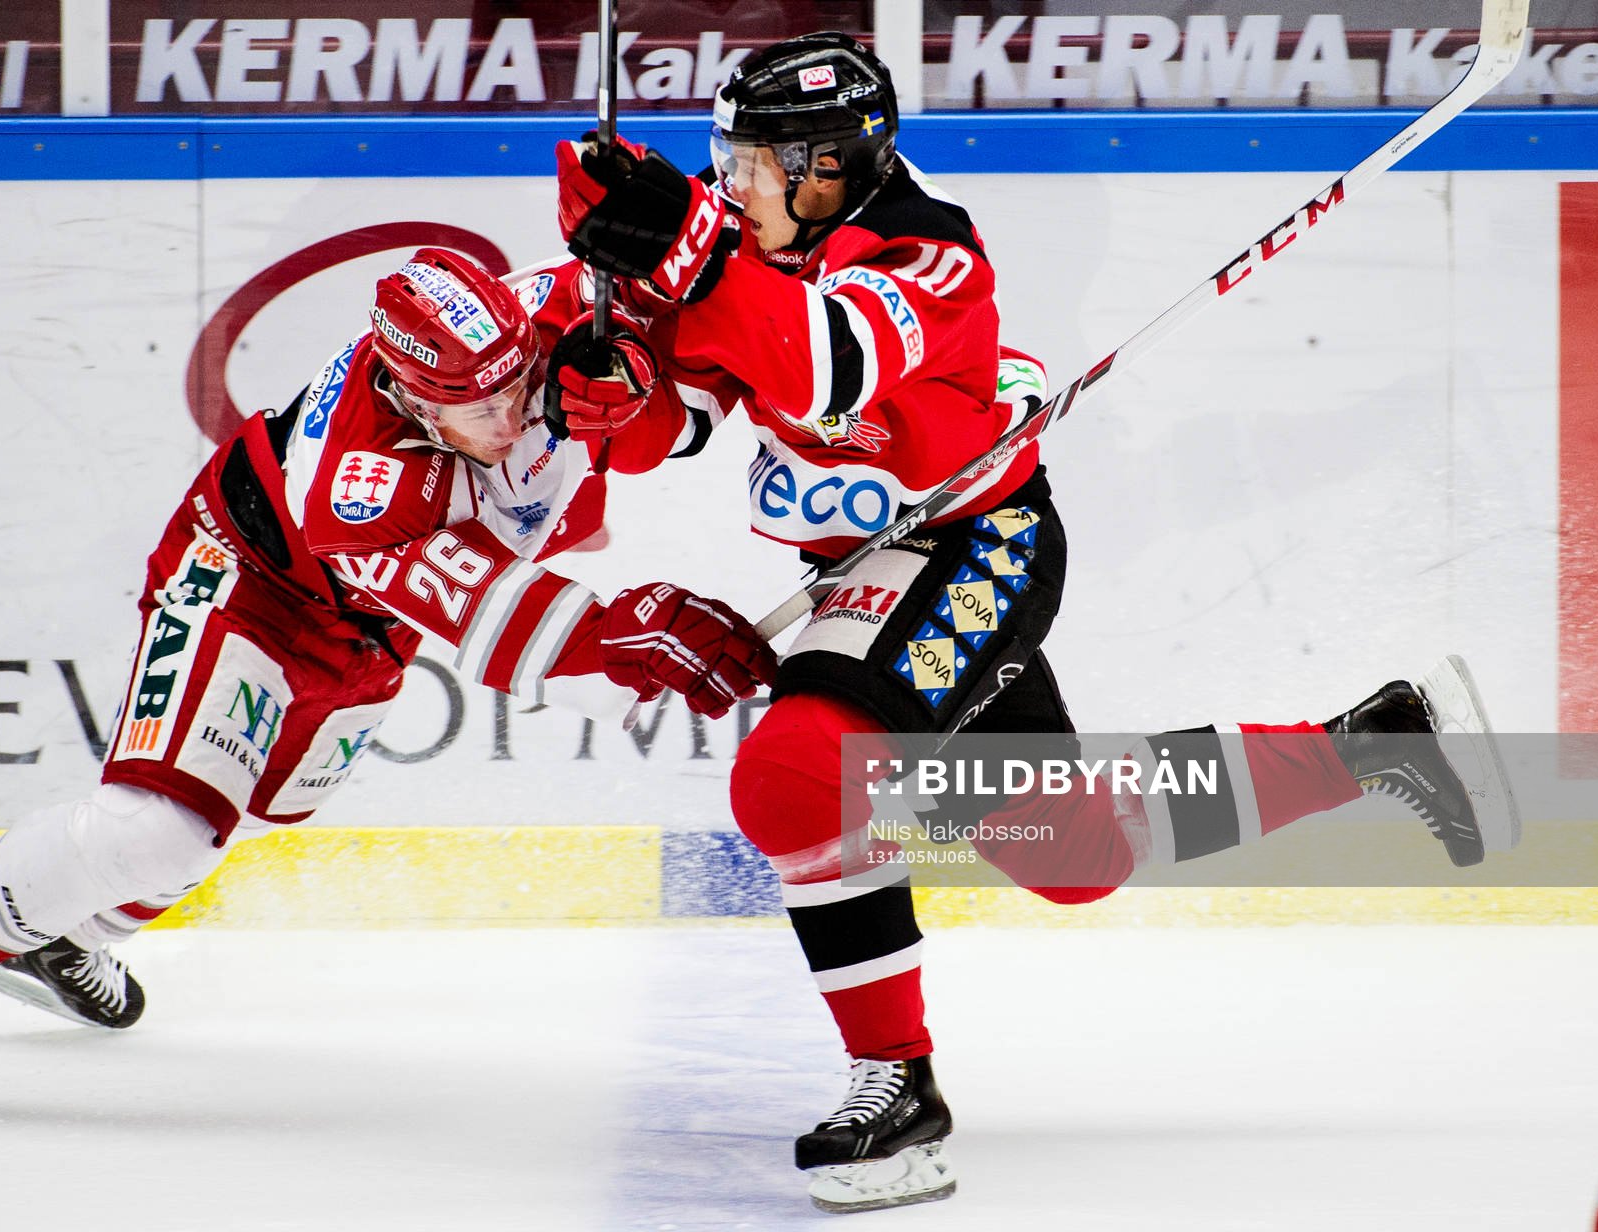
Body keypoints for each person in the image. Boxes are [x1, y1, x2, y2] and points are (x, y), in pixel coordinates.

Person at [552, 31, 1517, 1214]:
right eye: (724, 159)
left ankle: (895, 1090)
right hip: (868, 565)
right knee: (1075, 852)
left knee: (795, 773)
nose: (730, 183)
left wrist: (687, 254)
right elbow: (687, 408)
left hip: (976, 550)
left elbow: (823, 368)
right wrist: (612, 383)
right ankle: (1374, 743)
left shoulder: (929, 253)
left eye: (755, 162)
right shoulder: (742, 236)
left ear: (830, 167)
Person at [0, 247, 777, 1048]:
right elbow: (492, 619)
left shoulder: (528, 325)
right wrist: (620, 638)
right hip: (247, 579)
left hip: (365, 636)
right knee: (164, 823)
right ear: (411, 396)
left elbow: (655, 279)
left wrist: (636, 251)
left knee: (256, 817)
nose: (510, 414)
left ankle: (57, 938)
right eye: (476, 409)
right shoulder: (360, 488)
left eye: (514, 383)